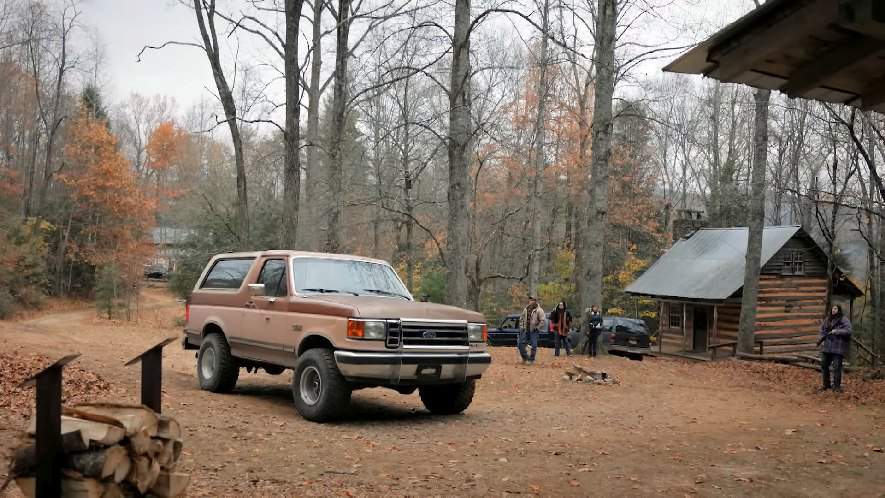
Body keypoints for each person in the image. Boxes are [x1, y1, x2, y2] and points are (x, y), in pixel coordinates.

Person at [819, 304, 852, 393]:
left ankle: (837, 386)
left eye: (835, 308)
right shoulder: (828, 319)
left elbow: (848, 331)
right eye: (833, 308)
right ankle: (826, 384)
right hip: (827, 347)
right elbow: (822, 330)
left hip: (838, 348)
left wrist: (837, 331)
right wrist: (822, 338)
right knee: (823, 364)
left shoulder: (844, 319)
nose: (833, 310)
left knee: (837, 367)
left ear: (839, 310)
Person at [518, 295, 545, 365]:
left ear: (535, 301)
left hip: (534, 331)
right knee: (520, 344)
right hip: (525, 330)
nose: (531, 301)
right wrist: (521, 327)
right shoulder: (526, 309)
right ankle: (525, 358)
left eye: (532, 300)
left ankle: (531, 359)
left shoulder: (539, 310)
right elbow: (521, 318)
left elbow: (543, 321)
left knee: (534, 345)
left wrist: (537, 327)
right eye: (530, 300)